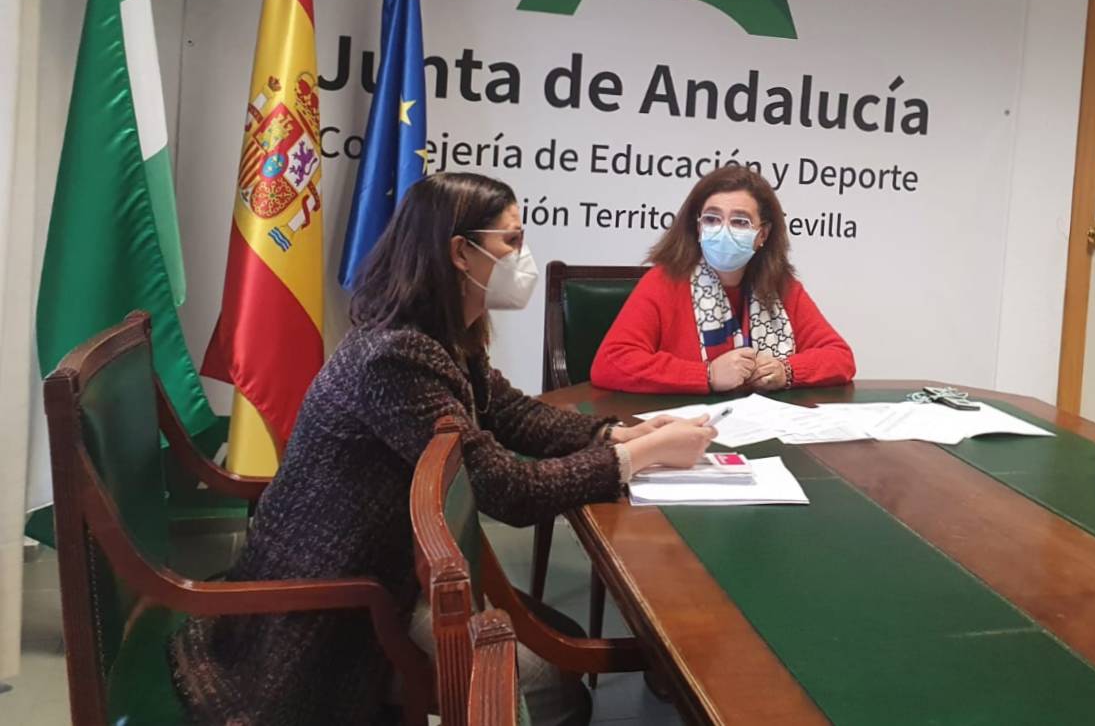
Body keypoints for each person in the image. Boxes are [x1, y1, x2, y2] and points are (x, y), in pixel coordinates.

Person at [170, 172, 716, 726]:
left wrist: (616, 435)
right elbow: (506, 489)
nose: (522, 256)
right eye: (511, 240)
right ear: (460, 252)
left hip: (384, 570)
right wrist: (635, 459)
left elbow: (510, 411)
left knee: (559, 653)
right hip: (336, 606)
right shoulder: (397, 355)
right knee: (551, 687)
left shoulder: (440, 331)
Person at [590, 165, 855, 394]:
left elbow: (840, 357)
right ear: (698, 227)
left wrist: (786, 371)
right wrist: (707, 375)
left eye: (739, 222)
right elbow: (611, 364)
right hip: (684, 427)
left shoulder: (781, 287)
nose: (723, 230)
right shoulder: (664, 281)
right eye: (712, 219)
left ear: (762, 235)